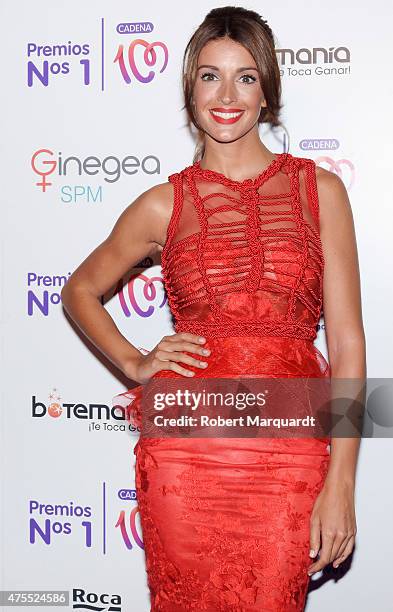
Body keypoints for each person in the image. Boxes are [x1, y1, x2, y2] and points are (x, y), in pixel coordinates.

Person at [61, 6, 366, 611]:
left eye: (246, 77)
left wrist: (343, 481)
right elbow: (78, 290)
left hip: (290, 452)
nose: (227, 95)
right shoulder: (160, 204)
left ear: (267, 91)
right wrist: (135, 362)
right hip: (184, 451)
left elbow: (349, 345)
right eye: (210, 76)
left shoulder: (320, 191)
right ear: (189, 89)